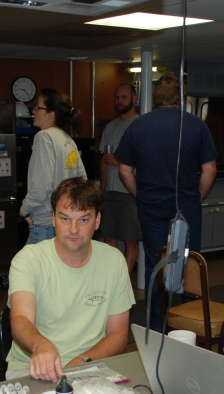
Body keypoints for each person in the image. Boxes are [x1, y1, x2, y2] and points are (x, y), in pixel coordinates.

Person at [115, 73, 217, 331]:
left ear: (155, 97)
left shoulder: (138, 126)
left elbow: (124, 170)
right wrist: (197, 196)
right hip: (187, 208)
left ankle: (157, 328)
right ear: (180, 98)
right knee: (190, 265)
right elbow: (210, 169)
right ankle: (190, 328)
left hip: (151, 208)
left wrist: (140, 194)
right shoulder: (196, 126)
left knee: (156, 266)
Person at [7, 178, 135, 382]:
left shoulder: (114, 260)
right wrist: (41, 345)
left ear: (98, 221)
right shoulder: (28, 259)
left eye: (83, 220)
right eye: (65, 218)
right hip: (32, 368)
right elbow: (20, 320)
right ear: (53, 219)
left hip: (91, 364)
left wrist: (82, 361)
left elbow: (118, 335)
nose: (73, 229)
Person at [19, 88, 87, 245]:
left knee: (28, 269)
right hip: (64, 224)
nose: (33, 111)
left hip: (44, 226)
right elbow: (82, 181)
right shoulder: (68, 140)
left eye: (37, 107)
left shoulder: (44, 137)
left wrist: (23, 211)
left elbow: (41, 186)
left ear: (51, 113)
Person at [99, 83, 141, 274]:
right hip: (110, 193)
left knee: (130, 239)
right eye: (117, 97)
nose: (119, 101)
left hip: (129, 194)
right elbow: (103, 160)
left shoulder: (140, 125)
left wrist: (120, 161)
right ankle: (112, 279)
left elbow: (146, 161)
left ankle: (123, 281)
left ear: (134, 99)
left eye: (124, 97)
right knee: (108, 239)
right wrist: (103, 188)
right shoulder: (110, 127)